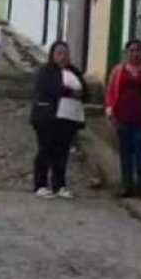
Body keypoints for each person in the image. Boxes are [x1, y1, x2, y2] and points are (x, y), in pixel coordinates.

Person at [105, 40, 141, 199]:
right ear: (126, 52)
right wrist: (110, 111)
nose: (135, 53)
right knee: (125, 154)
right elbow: (110, 92)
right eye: (131, 50)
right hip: (122, 119)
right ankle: (127, 186)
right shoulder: (118, 72)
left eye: (137, 50)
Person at [29, 41, 87, 199]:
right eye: (59, 53)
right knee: (45, 150)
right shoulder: (45, 71)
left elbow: (84, 89)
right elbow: (51, 89)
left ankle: (59, 185)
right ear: (52, 55)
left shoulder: (74, 71)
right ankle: (40, 184)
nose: (63, 56)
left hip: (67, 119)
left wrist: (80, 93)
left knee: (62, 153)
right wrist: (69, 92)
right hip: (47, 117)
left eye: (66, 53)